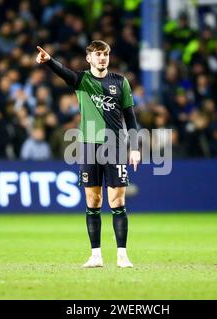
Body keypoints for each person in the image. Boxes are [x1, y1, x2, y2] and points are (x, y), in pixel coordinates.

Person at [36, 40, 140, 268]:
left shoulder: (120, 82)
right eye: (98, 54)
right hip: (88, 147)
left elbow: (130, 118)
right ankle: (96, 256)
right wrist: (49, 61)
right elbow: (65, 73)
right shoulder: (82, 80)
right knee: (93, 200)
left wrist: (134, 148)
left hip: (114, 146)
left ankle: (122, 255)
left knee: (117, 200)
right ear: (89, 58)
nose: (102, 58)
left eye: (105, 54)